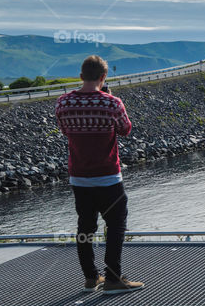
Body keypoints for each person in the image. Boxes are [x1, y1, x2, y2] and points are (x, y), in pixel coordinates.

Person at [55, 55, 144, 294]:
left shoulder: (63, 103)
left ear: (81, 75)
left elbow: (65, 131)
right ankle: (114, 277)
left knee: (85, 227)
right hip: (108, 176)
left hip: (79, 177)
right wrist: (108, 97)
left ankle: (91, 277)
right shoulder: (112, 103)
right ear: (103, 77)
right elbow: (125, 130)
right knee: (116, 226)